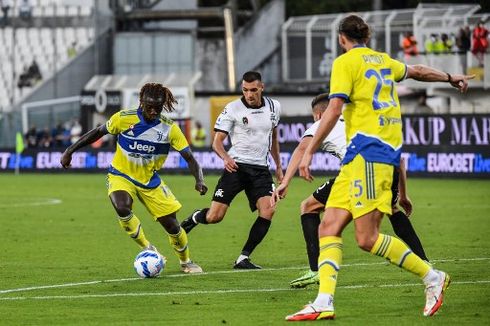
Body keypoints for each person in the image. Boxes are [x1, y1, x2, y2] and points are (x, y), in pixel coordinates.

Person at [286, 14, 474, 321]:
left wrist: (308, 152)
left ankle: (432, 277)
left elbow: (333, 109)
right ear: (366, 36)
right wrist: (449, 77)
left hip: (373, 154)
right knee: (328, 226)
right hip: (357, 159)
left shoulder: (345, 63)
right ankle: (323, 301)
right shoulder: (384, 60)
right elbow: (418, 71)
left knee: (367, 238)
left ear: (341, 38)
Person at [271, 93, 429, 289]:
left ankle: (316, 271)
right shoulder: (359, 122)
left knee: (308, 207)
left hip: (359, 171)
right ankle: (425, 262)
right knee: (393, 209)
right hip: (386, 168)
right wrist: (403, 194)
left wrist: (285, 181)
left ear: (320, 115)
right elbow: (400, 159)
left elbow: (302, 149)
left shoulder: (323, 123)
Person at [60, 82, 208, 274]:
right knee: (122, 206)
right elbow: (97, 132)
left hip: (150, 181)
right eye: (149, 107)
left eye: (158, 107)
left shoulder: (169, 129)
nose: (154, 111)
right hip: (121, 174)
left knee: (172, 226)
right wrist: (69, 150)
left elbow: (190, 158)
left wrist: (200, 180)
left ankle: (185, 262)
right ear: (141, 102)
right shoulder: (123, 118)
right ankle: (147, 247)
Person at [180, 71, 283, 269]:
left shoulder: (274, 106)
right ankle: (195, 217)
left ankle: (243, 258)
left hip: (261, 169)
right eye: (245, 90)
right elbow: (217, 142)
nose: (249, 94)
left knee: (268, 210)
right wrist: (226, 158)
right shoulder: (233, 108)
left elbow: (274, 138)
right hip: (236, 167)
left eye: (253, 90)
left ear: (262, 87)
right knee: (214, 217)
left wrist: (279, 166)